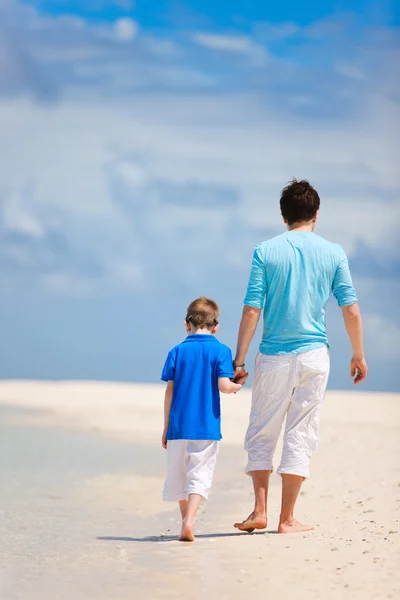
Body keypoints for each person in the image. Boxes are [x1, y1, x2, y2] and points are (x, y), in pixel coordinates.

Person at [233, 179, 368, 535]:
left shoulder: (266, 250)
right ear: (316, 215)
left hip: (274, 355)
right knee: (301, 432)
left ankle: (259, 510)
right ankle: (287, 518)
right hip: (313, 355)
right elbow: (350, 310)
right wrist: (358, 354)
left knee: (262, 430)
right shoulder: (334, 253)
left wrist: (239, 360)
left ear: (284, 215)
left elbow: (251, 310)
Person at [161, 297, 243, 542]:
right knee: (200, 474)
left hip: (178, 425)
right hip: (206, 426)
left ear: (187, 324)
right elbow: (224, 386)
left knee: (179, 476)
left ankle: (184, 520)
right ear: (215, 326)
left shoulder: (176, 351)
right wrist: (238, 384)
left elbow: (170, 392)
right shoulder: (221, 351)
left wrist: (166, 426)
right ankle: (190, 521)